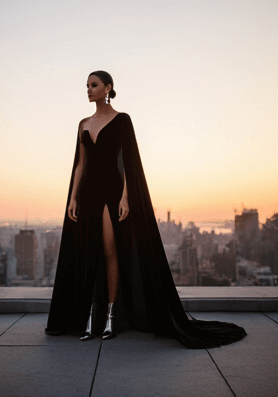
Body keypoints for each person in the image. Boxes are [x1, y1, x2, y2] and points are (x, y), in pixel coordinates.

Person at [45, 72, 246, 347]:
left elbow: (129, 162)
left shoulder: (122, 120)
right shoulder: (82, 123)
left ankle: (110, 316)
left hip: (111, 192)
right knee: (89, 253)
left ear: (108, 88)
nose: (89, 90)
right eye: (87, 86)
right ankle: (91, 316)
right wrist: (72, 198)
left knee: (108, 250)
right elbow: (80, 163)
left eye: (94, 85)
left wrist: (126, 197)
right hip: (87, 193)